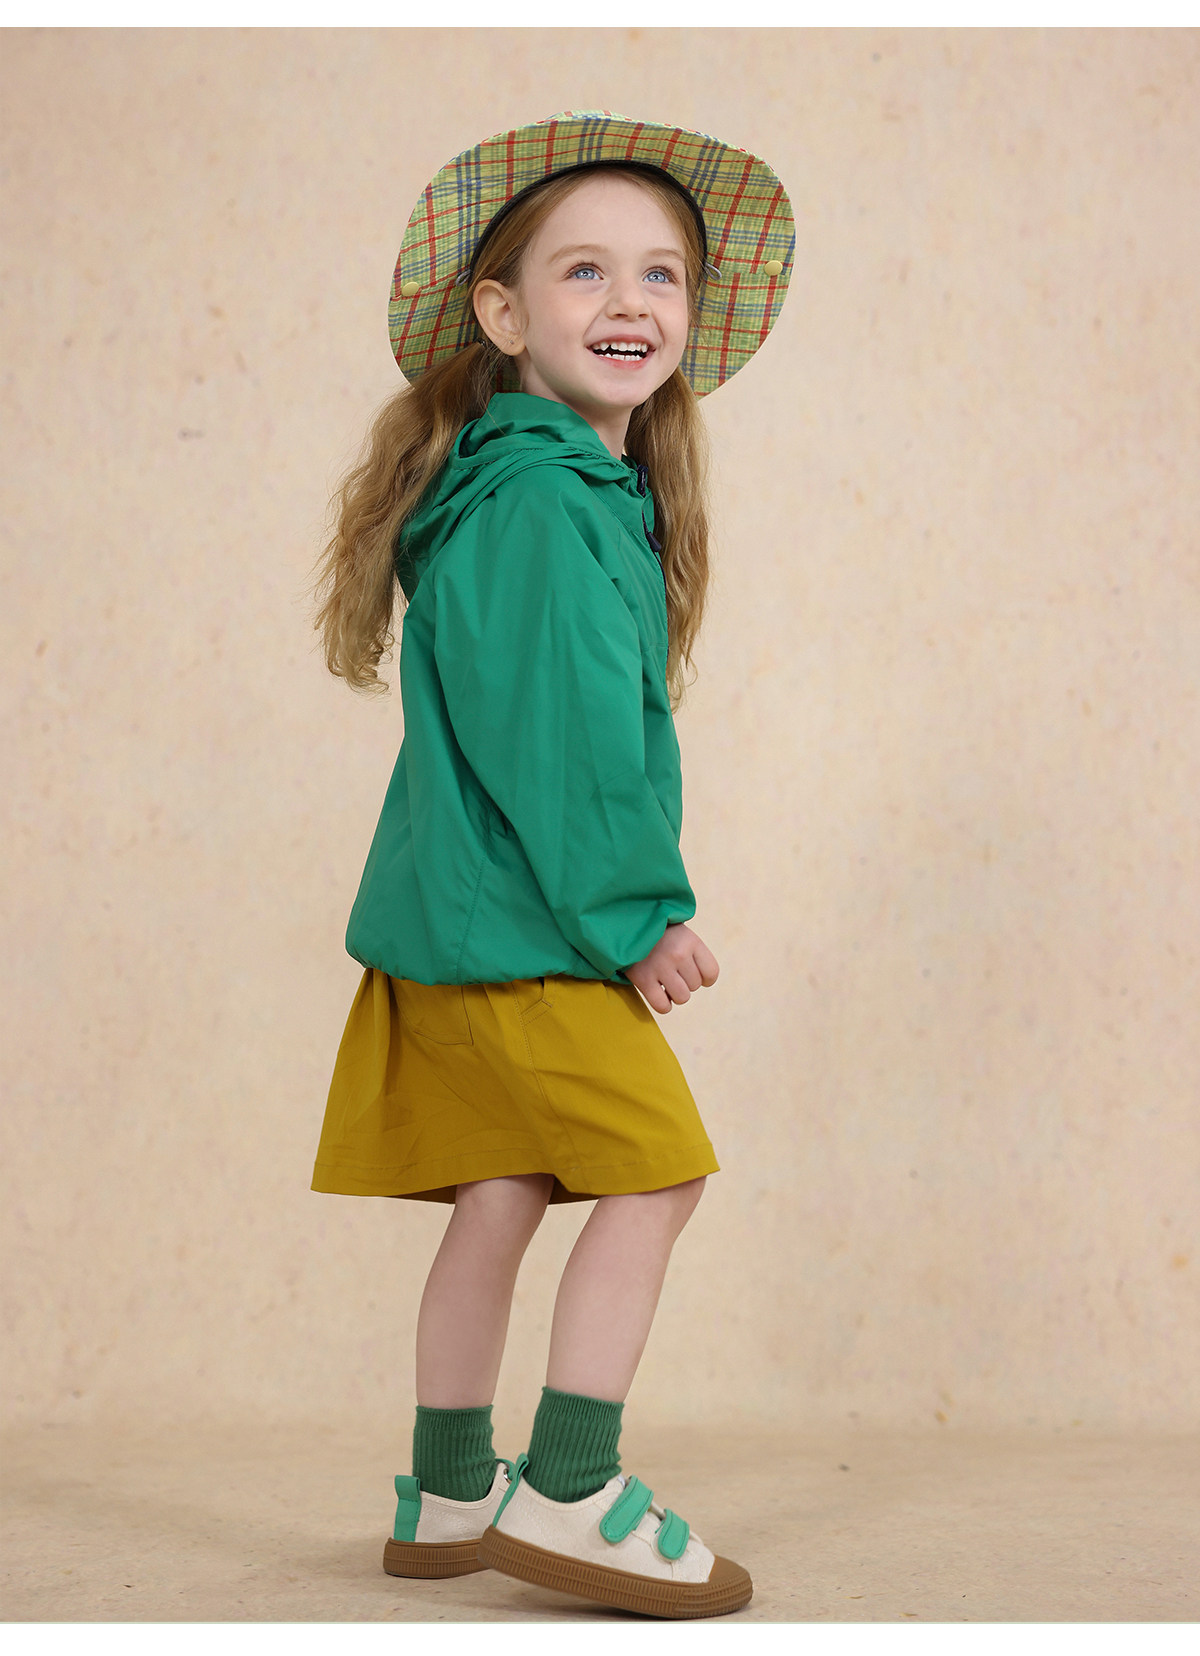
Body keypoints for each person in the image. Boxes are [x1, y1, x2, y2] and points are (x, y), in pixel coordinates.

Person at [308, 111, 793, 1620]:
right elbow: (561, 743)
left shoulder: (540, 492)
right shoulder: (537, 503)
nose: (630, 300)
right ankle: (572, 1489)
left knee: (505, 1189)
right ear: (503, 316)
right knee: (658, 1177)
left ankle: (449, 1489)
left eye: (661, 274)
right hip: (530, 930)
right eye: (584, 270)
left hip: (456, 925)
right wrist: (639, 915)